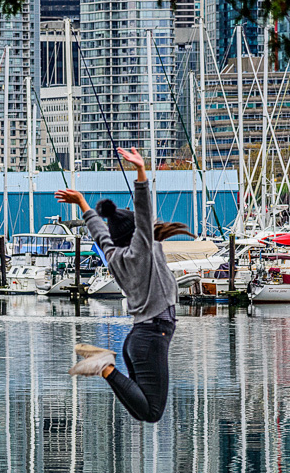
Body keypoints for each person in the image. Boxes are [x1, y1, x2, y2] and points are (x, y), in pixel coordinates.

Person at [54, 147, 193, 423]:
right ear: (137, 233)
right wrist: (140, 172)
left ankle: (105, 365)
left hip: (140, 338)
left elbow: (101, 232)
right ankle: (104, 366)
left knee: (146, 410)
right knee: (151, 413)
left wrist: (83, 203)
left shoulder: (114, 255)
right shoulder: (142, 248)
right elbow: (143, 215)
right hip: (152, 336)